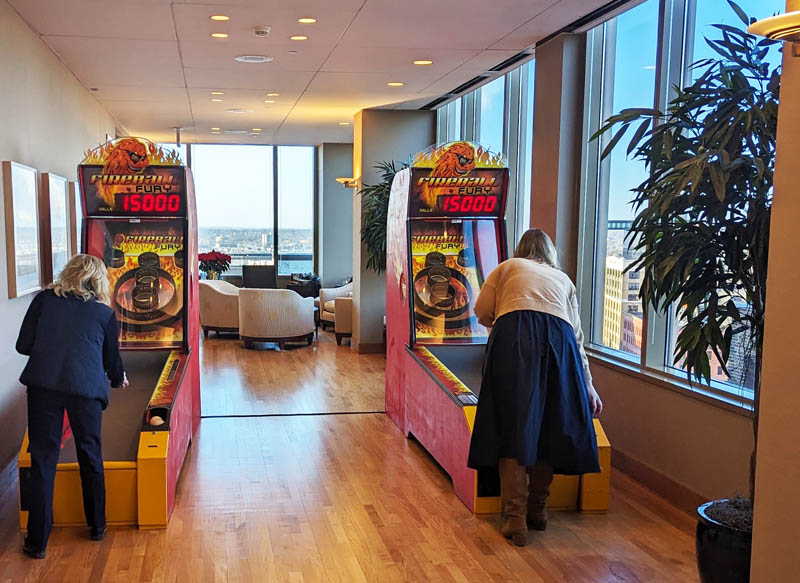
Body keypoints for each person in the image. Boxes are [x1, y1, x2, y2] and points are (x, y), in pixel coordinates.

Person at [467, 229, 602, 547]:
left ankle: (515, 520)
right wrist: (589, 386)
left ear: (521, 249)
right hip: (561, 342)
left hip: (515, 337)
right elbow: (577, 338)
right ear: (550, 253)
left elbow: (482, 311)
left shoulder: (508, 267)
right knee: (550, 427)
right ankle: (538, 511)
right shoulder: (563, 279)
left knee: (513, 426)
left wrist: (505, 317)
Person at [16, 254, 128, 559]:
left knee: (42, 460)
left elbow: (23, 345)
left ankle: (37, 542)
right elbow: (111, 362)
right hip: (86, 392)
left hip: (44, 388)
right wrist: (118, 380)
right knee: (90, 456)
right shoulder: (103, 314)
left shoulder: (43, 301)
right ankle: (97, 527)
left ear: (69, 273)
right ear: (99, 280)